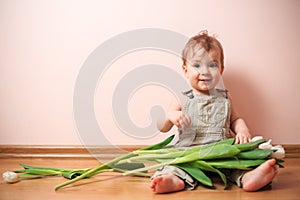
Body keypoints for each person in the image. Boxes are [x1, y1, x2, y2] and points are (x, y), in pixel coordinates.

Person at [150, 31, 278, 194]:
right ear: (185, 70)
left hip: (222, 153)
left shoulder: (225, 96)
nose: (205, 71)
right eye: (197, 65)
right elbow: (162, 127)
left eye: (212, 65)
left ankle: (250, 177)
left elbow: (236, 119)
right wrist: (170, 116)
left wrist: (242, 130)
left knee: (239, 163)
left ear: (221, 69)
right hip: (190, 154)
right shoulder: (182, 98)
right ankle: (172, 180)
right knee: (175, 166)